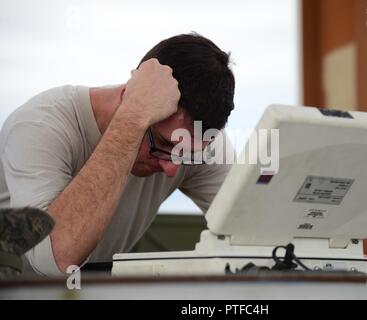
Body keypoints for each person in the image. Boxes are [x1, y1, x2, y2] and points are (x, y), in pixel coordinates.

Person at [0, 33, 235, 276]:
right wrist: (131, 120)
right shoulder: (38, 126)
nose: (172, 169)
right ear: (128, 98)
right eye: (164, 144)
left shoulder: (193, 141)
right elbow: (55, 260)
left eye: (185, 154)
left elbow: (255, 231)